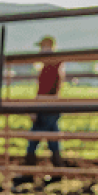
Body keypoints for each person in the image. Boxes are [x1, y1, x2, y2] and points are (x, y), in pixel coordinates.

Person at [24, 34, 65, 170]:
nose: (40, 50)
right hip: (51, 106)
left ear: (49, 46)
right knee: (52, 140)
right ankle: (58, 169)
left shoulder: (50, 66)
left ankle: (28, 172)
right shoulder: (54, 65)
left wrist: (34, 109)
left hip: (45, 106)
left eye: (42, 47)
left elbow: (44, 90)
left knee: (34, 139)